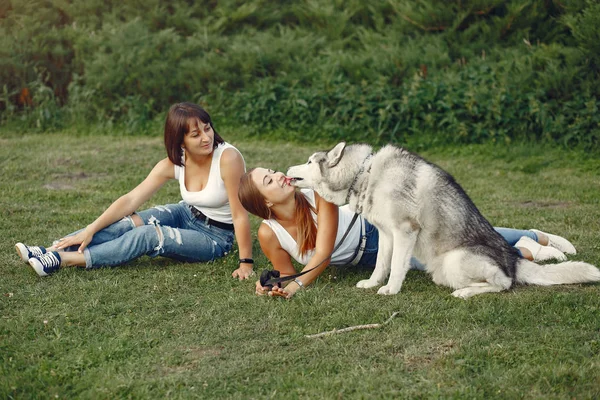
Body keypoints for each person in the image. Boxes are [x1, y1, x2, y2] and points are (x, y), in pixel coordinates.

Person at [238, 168, 577, 299]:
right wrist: (275, 285)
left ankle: (535, 235)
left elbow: (323, 253)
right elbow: (288, 271)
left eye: (272, 171)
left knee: (455, 234)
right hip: (369, 259)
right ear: (264, 203)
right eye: (269, 180)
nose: (279, 175)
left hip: (377, 230)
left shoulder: (318, 193)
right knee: (442, 258)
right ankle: (527, 251)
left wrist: (298, 286)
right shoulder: (269, 233)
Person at [15, 102, 254, 279]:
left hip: (215, 237)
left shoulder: (228, 158)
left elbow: (239, 214)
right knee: (128, 223)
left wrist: (246, 263)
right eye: (196, 134)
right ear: (180, 141)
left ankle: (64, 259)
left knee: (149, 235)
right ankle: (49, 249)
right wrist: (91, 228)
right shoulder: (174, 162)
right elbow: (131, 199)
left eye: (207, 128)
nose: (206, 137)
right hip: (185, 214)